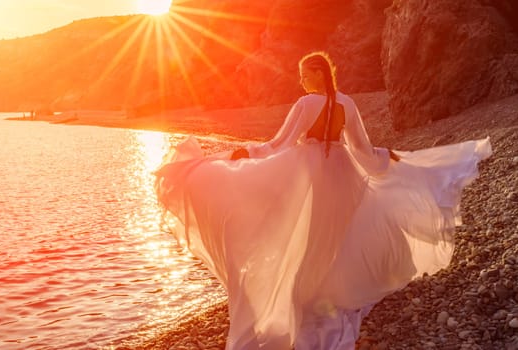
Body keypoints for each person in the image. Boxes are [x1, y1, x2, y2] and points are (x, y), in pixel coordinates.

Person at [154, 51, 491, 349]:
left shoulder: (306, 103)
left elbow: (279, 145)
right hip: (342, 174)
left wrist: (241, 154)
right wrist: (387, 156)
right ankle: (327, 292)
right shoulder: (348, 103)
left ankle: (305, 296)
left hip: (309, 173)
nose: (300, 81)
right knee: (333, 237)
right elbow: (361, 149)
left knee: (301, 233)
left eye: (304, 74)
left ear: (317, 73)